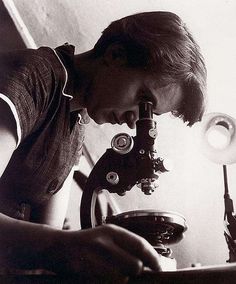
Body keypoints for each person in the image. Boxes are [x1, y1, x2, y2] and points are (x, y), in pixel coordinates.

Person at [0, 11, 206, 280]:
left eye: (149, 115)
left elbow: (46, 232)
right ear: (115, 55)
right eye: (143, 99)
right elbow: (54, 246)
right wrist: (68, 247)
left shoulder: (74, 122)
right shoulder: (32, 78)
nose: (135, 121)